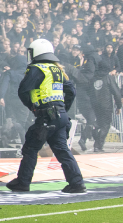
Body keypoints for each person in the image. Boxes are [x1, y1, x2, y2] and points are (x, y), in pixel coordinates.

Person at [7, 39, 86, 193]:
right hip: (60, 115)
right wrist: (63, 109)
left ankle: (23, 182)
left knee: (30, 147)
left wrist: (33, 107)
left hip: (46, 115)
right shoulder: (57, 69)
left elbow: (23, 90)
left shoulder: (36, 69)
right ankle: (77, 183)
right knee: (62, 150)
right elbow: (71, 91)